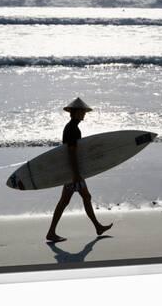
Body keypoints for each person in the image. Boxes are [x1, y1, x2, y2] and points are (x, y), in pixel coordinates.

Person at [46, 97, 113, 243]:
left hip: (72, 171)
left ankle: (97, 226)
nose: (84, 114)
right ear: (75, 112)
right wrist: (75, 174)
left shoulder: (71, 127)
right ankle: (51, 232)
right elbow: (71, 153)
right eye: (82, 111)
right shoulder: (73, 130)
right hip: (73, 172)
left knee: (81, 198)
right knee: (66, 201)